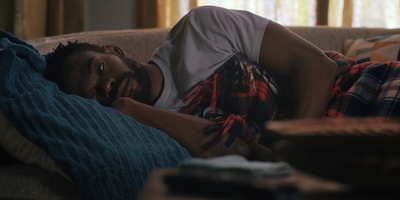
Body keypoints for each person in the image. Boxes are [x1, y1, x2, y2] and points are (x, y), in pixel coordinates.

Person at [44, 6, 338, 160]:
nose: (106, 86)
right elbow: (236, 150)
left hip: (352, 93)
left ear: (115, 51)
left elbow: (318, 66)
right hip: (336, 150)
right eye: (94, 95)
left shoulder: (201, 28)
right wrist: (131, 111)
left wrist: (291, 155)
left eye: (100, 68)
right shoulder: (147, 130)